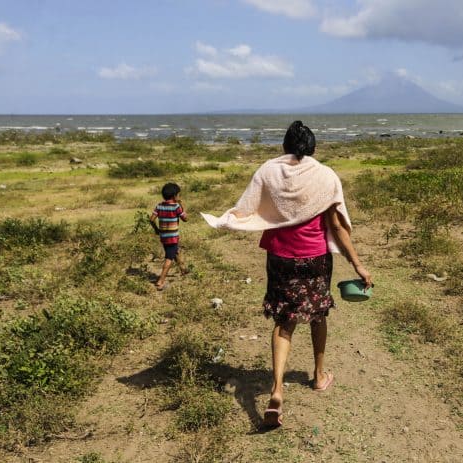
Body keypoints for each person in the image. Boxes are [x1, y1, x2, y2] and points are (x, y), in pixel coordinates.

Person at [201, 120, 371, 429]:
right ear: (313, 147)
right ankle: (319, 376)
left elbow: (250, 206)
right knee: (318, 315)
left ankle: (277, 391)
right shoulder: (325, 176)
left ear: (284, 146)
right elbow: (336, 226)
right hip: (315, 257)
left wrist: (230, 220)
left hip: (280, 256)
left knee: (284, 322)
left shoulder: (268, 171)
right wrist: (357, 264)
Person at [150, 182, 188, 290]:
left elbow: (151, 219)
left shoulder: (159, 206)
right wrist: (181, 205)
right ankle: (161, 281)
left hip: (164, 237)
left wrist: (156, 229)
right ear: (175, 196)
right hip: (173, 237)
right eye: (178, 195)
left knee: (174, 252)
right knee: (169, 258)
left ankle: (183, 269)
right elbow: (185, 219)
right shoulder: (176, 206)